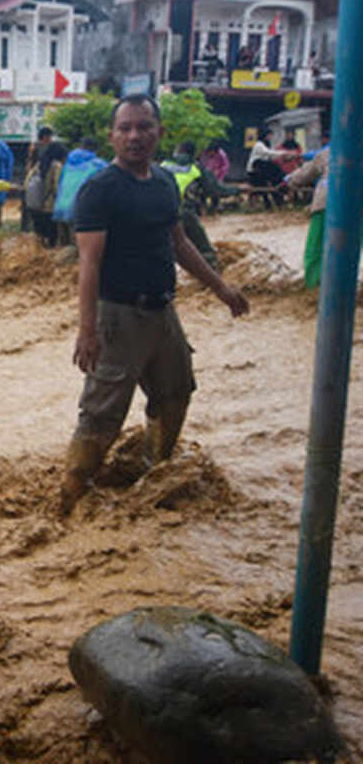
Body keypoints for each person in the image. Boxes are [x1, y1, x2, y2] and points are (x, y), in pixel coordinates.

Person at [61, 94, 250, 516]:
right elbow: (88, 263)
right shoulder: (100, 190)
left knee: (176, 393)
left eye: (144, 126)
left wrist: (221, 288)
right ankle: (69, 500)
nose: (134, 136)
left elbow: (179, 244)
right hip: (118, 317)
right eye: (125, 128)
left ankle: (152, 476)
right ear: (112, 136)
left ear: (159, 133)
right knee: (102, 414)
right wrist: (87, 331)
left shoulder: (165, 182)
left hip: (163, 312)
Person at [161, 141, 237, 271]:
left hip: (159, 213)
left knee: (163, 250)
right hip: (184, 213)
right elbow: (215, 190)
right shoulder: (196, 168)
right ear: (193, 154)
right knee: (204, 250)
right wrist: (237, 190)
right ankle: (213, 281)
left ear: (177, 151)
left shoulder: (162, 165)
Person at [284, 142, 331, 289]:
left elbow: (306, 173)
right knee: (349, 249)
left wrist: (287, 181)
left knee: (315, 249)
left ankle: (313, 287)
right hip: (357, 209)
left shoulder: (331, 151)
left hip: (326, 203)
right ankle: (344, 285)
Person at [52, 137, 107, 237]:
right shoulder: (99, 165)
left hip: (61, 208)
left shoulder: (67, 164)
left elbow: (59, 184)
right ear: (95, 150)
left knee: (67, 245)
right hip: (81, 210)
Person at [24, 141, 67, 247]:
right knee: (52, 236)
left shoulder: (38, 164)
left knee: (39, 236)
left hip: (34, 205)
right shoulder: (56, 166)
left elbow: (27, 182)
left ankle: (38, 256)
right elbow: (57, 187)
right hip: (48, 206)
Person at [246, 128, 293, 209]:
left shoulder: (266, 144)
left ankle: (278, 201)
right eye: (269, 135)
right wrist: (283, 153)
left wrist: (283, 155)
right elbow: (267, 153)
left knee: (275, 176)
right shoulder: (259, 145)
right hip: (255, 170)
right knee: (272, 170)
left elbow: (271, 155)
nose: (270, 137)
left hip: (262, 169)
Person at [22, 126, 53, 232]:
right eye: (49, 137)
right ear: (45, 137)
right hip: (39, 179)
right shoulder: (39, 148)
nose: (50, 139)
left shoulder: (39, 147)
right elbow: (30, 163)